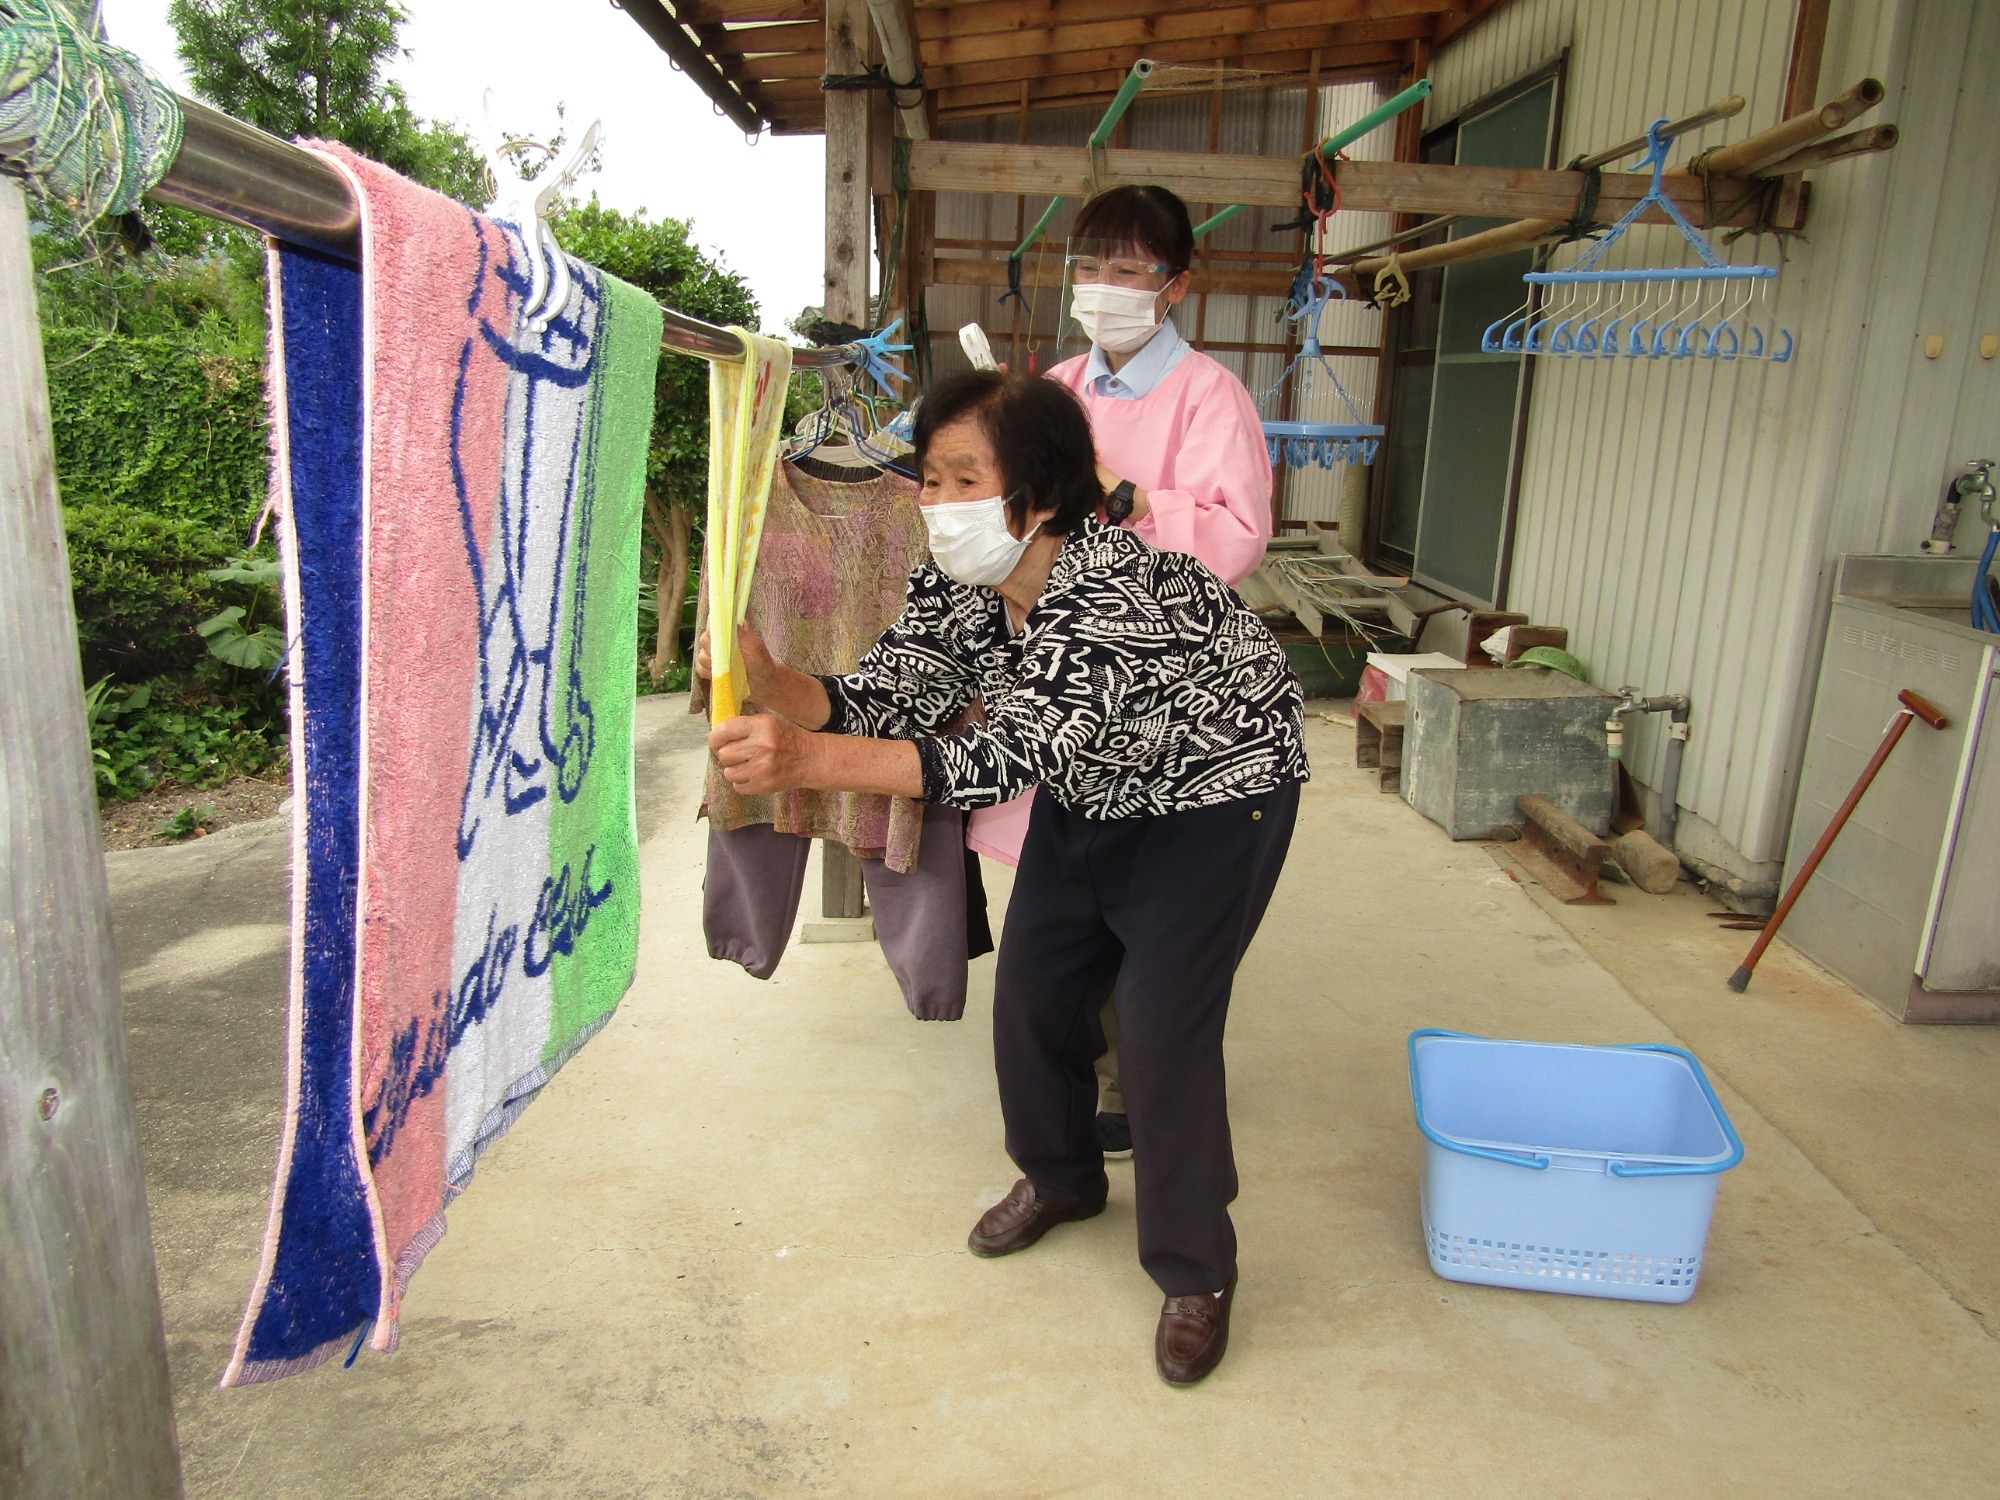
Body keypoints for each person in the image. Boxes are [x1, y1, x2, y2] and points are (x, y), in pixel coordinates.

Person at [699, 371, 1307, 1385]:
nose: (932, 503)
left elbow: (993, 763)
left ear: (1040, 494)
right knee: (1032, 1000)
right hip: (1089, 787)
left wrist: (802, 762)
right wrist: (780, 687)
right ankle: (1062, 1182)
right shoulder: (962, 571)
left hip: (1214, 799)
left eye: (960, 478)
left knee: (1159, 1031)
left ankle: (1196, 1269)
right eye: (928, 478)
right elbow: (901, 686)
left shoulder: (1115, 592)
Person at [974, 184, 1276, 1163]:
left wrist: (1133, 499)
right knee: (1059, 900)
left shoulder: (1208, 397)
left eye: (1127, 269)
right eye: (1089, 266)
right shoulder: (1058, 386)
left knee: (1146, 906)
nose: (1101, 286)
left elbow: (1234, 536)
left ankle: (1128, 1085)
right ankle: (1075, 1094)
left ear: (1175, 285)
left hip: (1165, 695)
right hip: (1063, 673)